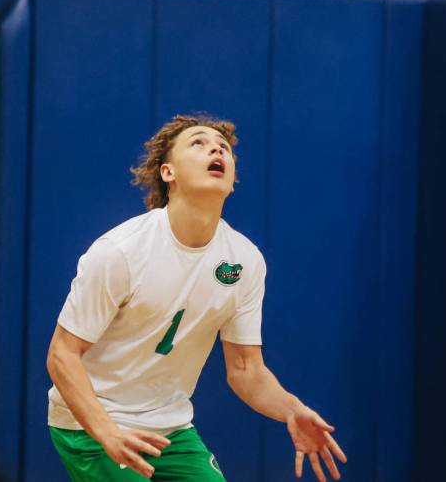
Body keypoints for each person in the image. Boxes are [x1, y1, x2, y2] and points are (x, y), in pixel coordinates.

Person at [47, 113, 347, 481]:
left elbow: (245, 370)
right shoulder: (120, 252)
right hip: (91, 425)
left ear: (233, 180)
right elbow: (62, 353)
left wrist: (290, 409)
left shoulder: (244, 260)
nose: (216, 147)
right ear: (168, 173)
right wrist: (106, 430)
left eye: (222, 147)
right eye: (198, 143)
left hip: (171, 430)